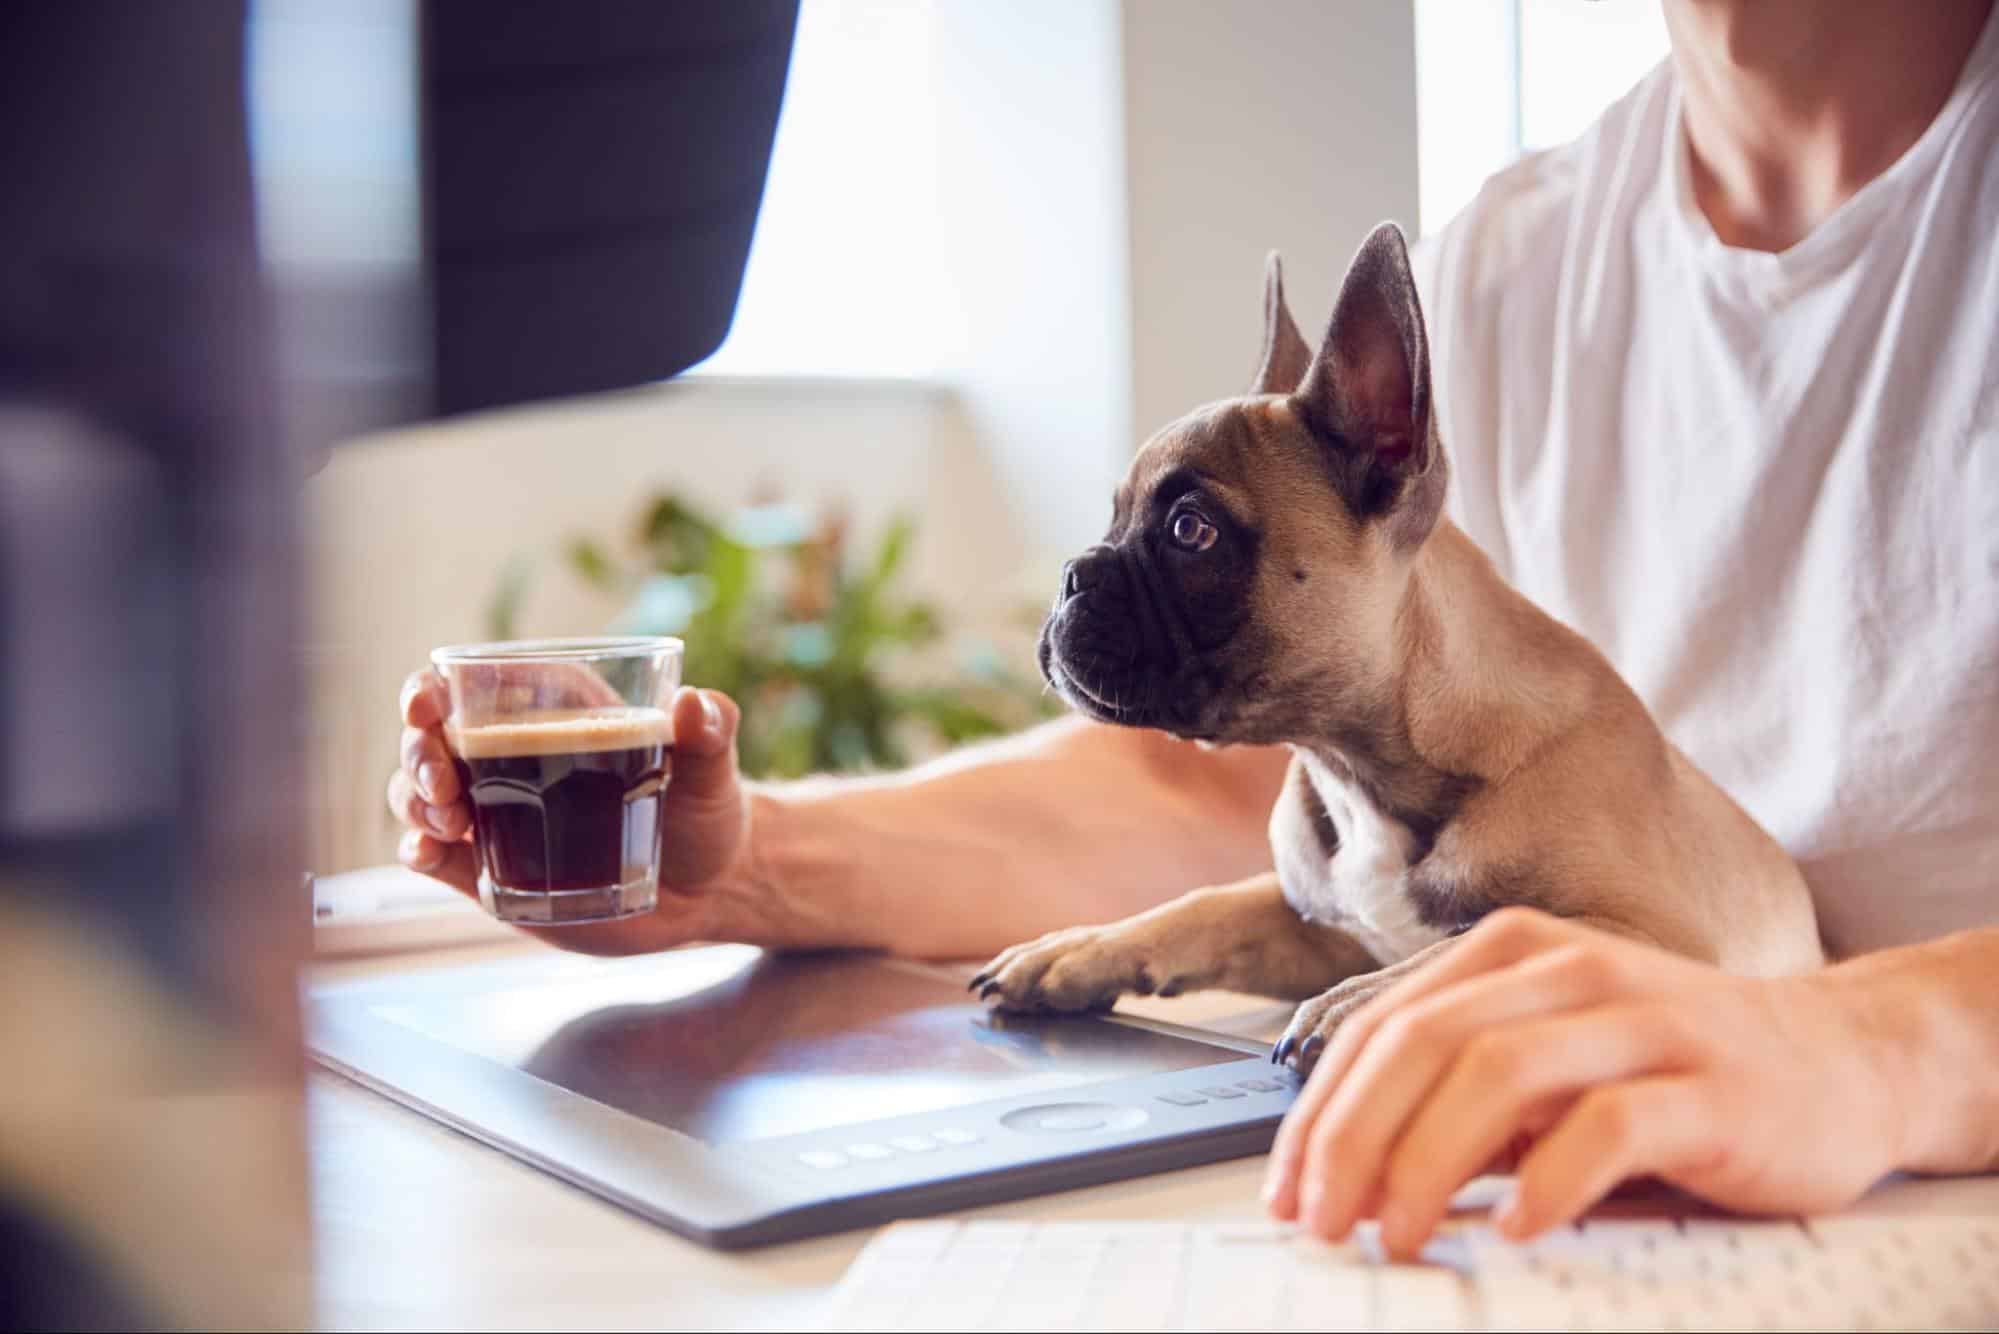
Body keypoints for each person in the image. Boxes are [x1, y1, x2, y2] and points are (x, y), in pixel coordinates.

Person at [389, 0, 1999, 1259]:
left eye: (1187, 539)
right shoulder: (1512, 261)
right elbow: (1209, 798)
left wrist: (1856, 1046)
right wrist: (745, 869)